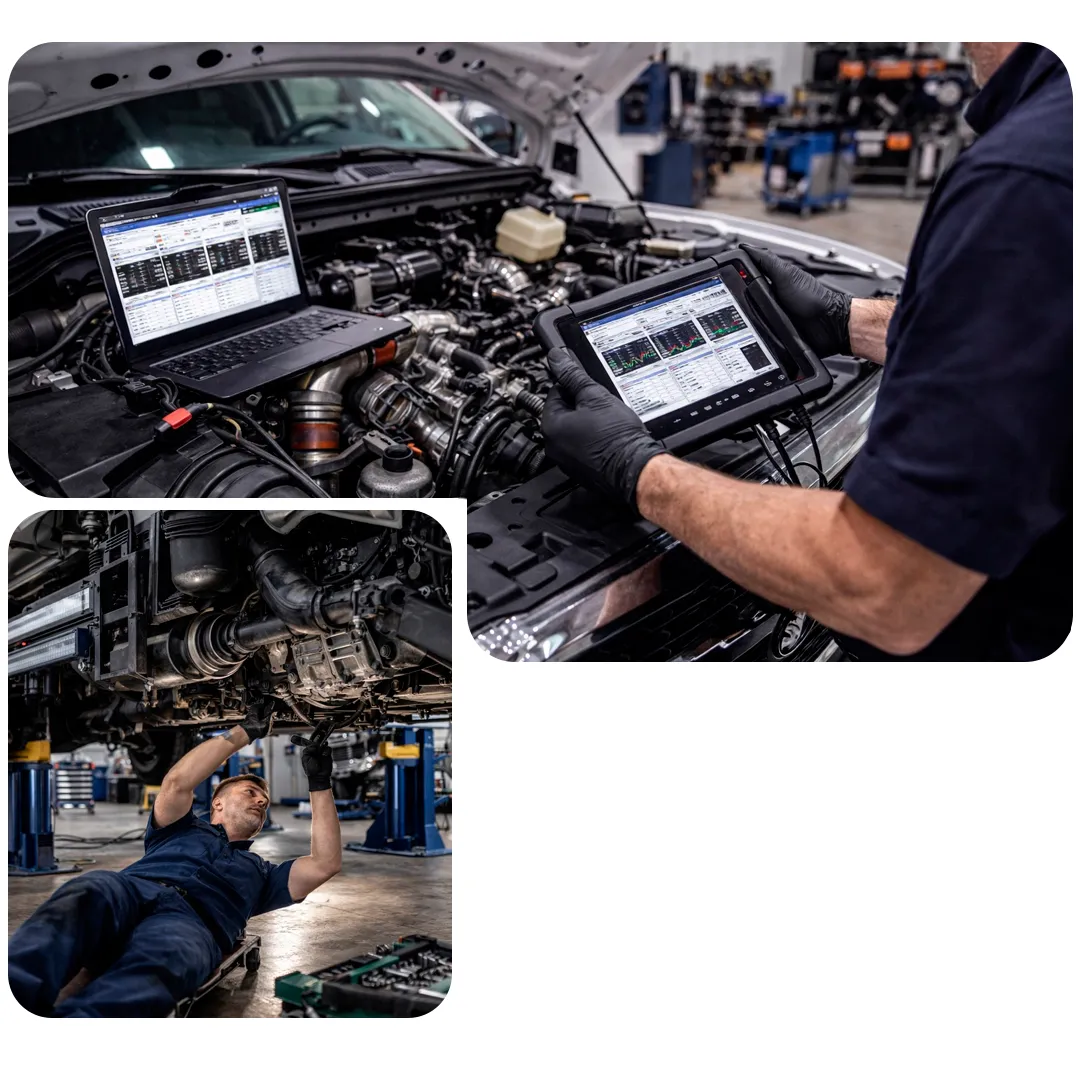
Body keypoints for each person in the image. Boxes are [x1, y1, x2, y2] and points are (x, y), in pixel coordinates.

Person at [542, 43, 1071, 661]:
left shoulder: (1027, 177)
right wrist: (851, 322)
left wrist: (640, 473)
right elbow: (1035, 349)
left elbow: (884, 586)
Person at [8, 717, 342, 1017]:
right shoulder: (179, 827)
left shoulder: (263, 873)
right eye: (252, 792)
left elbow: (324, 863)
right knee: (89, 889)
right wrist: (246, 731)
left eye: (264, 803)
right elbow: (177, 782)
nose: (260, 802)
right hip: (133, 889)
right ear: (217, 803)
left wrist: (319, 781)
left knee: (164, 958)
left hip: (192, 924)